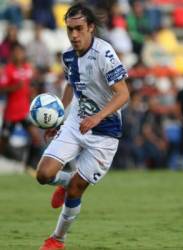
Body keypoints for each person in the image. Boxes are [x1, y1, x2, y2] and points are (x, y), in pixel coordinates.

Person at [36, 3, 129, 250]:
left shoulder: (105, 54)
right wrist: (58, 117)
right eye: (69, 30)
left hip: (105, 131)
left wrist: (98, 117)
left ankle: (57, 240)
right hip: (77, 123)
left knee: (77, 189)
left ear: (90, 28)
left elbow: (123, 94)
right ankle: (64, 183)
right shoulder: (68, 55)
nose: (74, 35)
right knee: (43, 175)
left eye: (79, 29)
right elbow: (70, 85)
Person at [0, 42, 42, 169]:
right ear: (12, 54)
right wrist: (14, 87)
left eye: (20, 52)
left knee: (36, 137)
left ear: (23, 53)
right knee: (3, 141)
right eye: (16, 52)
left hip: (25, 111)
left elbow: (33, 84)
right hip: (11, 113)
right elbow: (2, 89)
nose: (18, 54)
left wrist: (33, 92)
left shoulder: (28, 69)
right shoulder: (8, 70)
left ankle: (29, 165)